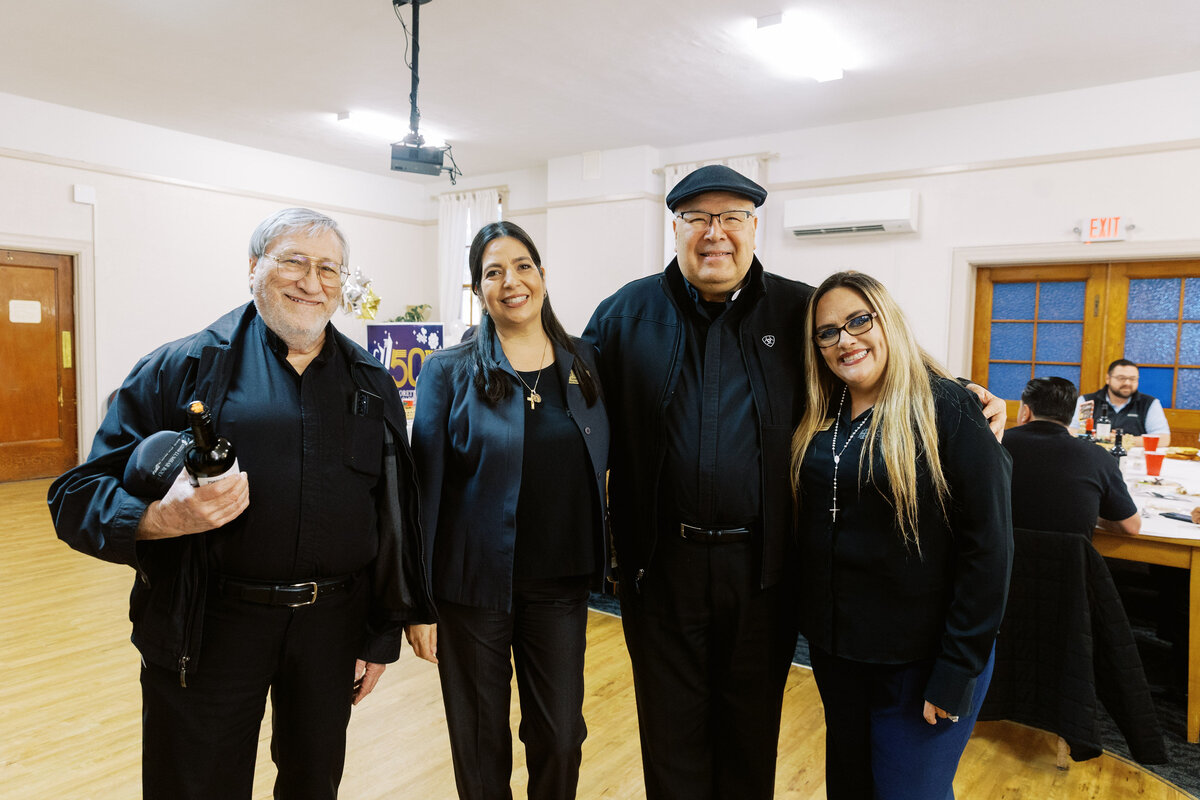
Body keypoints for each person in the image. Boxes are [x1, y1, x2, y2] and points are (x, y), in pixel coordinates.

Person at [583, 165, 1007, 799]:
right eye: (698, 218)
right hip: (660, 571)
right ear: (675, 228)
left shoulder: (801, 310)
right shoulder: (624, 316)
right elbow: (573, 410)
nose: (714, 233)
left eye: (731, 217)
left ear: (755, 226)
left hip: (765, 574)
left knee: (750, 735)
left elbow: (872, 359)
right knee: (669, 740)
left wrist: (961, 394)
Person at [46, 208, 433, 800]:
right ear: (254, 268)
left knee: (314, 783)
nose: (313, 281)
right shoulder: (180, 370)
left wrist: (381, 635)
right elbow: (74, 498)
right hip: (210, 626)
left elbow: (392, 514)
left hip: (331, 630)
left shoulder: (369, 382)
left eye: (329, 268)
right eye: (294, 261)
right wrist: (159, 519)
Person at [790, 271, 1012, 800]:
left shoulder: (950, 408)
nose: (844, 340)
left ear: (887, 320)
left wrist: (958, 668)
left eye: (858, 321)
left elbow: (990, 549)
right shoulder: (823, 410)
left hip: (924, 660)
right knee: (850, 787)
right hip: (839, 653)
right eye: (827, 332)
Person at [406, 221, 609, 800]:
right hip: (471, 590)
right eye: (492, 272)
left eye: (522, 266)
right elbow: (425, 493)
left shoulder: (586, 360)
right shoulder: (448, 371)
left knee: (561, 737)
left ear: (542, 275)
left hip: (560, 585)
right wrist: (419, 604)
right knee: (478, 741)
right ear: (478, 291)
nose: (510, 281)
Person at [1003, 376, 1140, 536]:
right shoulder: (1097, 456)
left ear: (1026, 412)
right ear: (1070, 415)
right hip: (1069, 557)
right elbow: (1132, 527)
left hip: (998, 556)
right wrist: (1092, 515)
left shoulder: (997, 443)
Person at [1069, 358, 1171, 447]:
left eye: (1132, 379)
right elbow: (1071, 431)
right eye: (1121, 378)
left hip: (1134, 460)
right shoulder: (1087, 401)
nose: (1127, 383)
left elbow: (1163, 439)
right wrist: (1100, 437)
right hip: (1094, 457)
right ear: (1108, 379)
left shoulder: (1149, 403)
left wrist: (1121, 439)